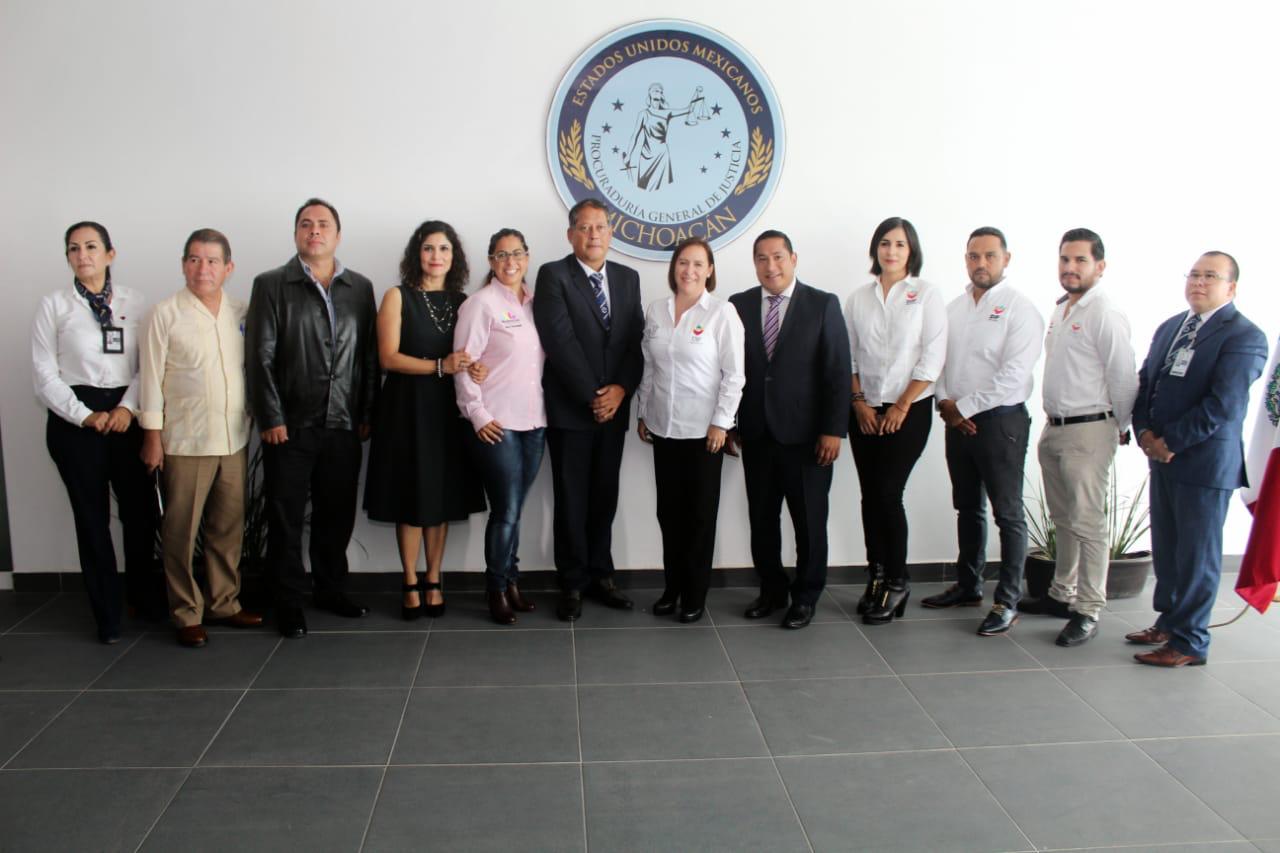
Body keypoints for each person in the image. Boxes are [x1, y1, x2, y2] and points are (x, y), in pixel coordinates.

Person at [246, 198, 379, 639]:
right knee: (285, 517)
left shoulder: (360, 288)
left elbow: (368, 357)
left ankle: (331, 590)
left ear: (338, 235)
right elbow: (259, 357)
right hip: (289, 425)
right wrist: (271, 416)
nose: (315, 231)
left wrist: (366, 412)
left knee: (335, 515)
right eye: (306, 224)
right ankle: (287, 602)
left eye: (323, 224)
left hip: (343, 423)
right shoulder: (271, 284)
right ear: (296, 234)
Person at [1128, 251, 1267, 666]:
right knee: (1168, 548)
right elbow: (1146, 383)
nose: (1199, 282)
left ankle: (1190, 642)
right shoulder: (1172, 326)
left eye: (1210, 276)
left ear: (1231, 287)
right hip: (1161, 457)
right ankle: (1169, 623)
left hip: (1204, 464)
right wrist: (1144, 432)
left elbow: (1224, 404)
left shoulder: (1244, 336)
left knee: (1197, 556)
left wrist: (1171, 441)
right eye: (1194, 274)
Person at [32, 221, 160, 643]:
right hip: (76, 421)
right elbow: (44, 374)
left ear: (110, 254)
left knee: (141, 514)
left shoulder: (135, 302)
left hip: (125, 414)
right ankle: (107, 613)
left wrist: (126, 408)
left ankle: (143, 598)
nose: (82, 255)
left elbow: (148, 365)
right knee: (92, 520)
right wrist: (84, 415)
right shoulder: (54, 305)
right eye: (74, 248)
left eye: (91, 246)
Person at [139, 228, 263, 648]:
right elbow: (150, 379)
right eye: (194, 259)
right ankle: (185, 612)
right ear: (183, 265)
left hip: (233, 439)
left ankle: (224, 602)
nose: (202, 268)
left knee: (228, 528)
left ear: (228, 268)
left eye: (212, 261)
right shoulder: (164, 314)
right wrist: (151, 436)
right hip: (185, 442)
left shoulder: (240, 312)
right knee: (180, 531)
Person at [727, 230, 850, 629]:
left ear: (793, 259)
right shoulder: (739, 304)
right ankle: (772, 590)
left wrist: (833, 430)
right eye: (762, 258)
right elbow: (728, 368)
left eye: (778, 256)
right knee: (762, 521)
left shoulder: (823, 304)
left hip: (808, 438)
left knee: (809, 522)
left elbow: (837, 371)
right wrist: (730, 422)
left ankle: (806, 596)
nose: (771, 266)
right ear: (754, 263)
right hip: (757, 433)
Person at [363, 221, 485, 621]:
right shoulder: (397, 296)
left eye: (444, 249)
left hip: (448, 411)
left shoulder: (464, 301)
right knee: (411, 495)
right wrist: (440, 366)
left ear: (455, 257)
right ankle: (409, 580)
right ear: (417, 254)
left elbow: (470, 354)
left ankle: (434, 578)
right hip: (405, 409)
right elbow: (388, 358)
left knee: (440, 497)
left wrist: (474, 367)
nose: (436, 256)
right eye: (429, 248)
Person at [1021, 228, 1137, 647]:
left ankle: (1088, 609)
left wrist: (1119, 427)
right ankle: (1060, 594)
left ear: (1099, 266)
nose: (1070, 268)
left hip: (1089, 429)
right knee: (1064, 519)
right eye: (1065, 259)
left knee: (1087, 523)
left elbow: (1124, 376)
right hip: (1056, 427)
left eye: (1080, 260)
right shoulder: (1063, 309)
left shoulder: (1103, 312)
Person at [926, 227, 1044, 636]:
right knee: (967, 507)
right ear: (966, 260)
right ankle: (968, 585)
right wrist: (945, 402)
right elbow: (938, 362)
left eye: (990, 255)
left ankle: (1007, 600)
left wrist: (963, 408)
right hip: (956, 420)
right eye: (974, 256)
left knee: (1007, 514)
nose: (981, 263)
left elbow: (1014, 374)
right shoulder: (954, 309)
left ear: (1005, 259)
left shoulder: (1020, 309)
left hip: (1000, 422)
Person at [532, 198, 644, 622]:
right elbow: (558, 342)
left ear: (611, 233)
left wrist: (620, 389)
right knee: (571, 498)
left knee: (604, 496)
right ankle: (572, 582)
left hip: (614, 409)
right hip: (572, 410)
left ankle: (602, 575)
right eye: (584, 227)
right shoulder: (553, 275)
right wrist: (593, 397)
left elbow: (636, 342)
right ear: (571, 234)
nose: (593, 234)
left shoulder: (628, 278)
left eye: (600, 227)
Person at [843, 217, 946, 625]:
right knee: (870, 496)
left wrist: (902, 405)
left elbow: (933, 356)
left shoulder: (926, 295)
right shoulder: (859, 298)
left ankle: (898, 581)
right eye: (885, 243)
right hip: (865, 409)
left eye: (900, 244)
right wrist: (859, 403)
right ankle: (877, 576)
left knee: (888, 493)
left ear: (911, 250)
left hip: (910, 409)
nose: (891, 251)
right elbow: (849, 356)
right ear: (876, 249)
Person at [636, 237, 745, 623]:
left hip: (704, 434)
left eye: (698, 264)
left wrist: (721, 422)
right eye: (683, 262)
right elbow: (649, 366)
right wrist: (643, 412)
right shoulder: (657, 310)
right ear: (674, 267)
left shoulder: (722, 313)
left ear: (710, 270)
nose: (689, 270)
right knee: (669, 514)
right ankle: (673, 588)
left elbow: (735, 375)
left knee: (699, 517)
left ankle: (695, 595)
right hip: (663, 428)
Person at [454, 228, 546, 625]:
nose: (511, 261)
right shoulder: (480, 304)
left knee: (515, 509)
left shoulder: (536, 304)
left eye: (517, 253)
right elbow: (463, 363)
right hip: (497, 424)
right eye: (502, 255)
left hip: (534, 422)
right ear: (491, 261)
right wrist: (477, 414)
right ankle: (496, 589)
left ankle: (511, 582)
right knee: (505, 510)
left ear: (527, 257)